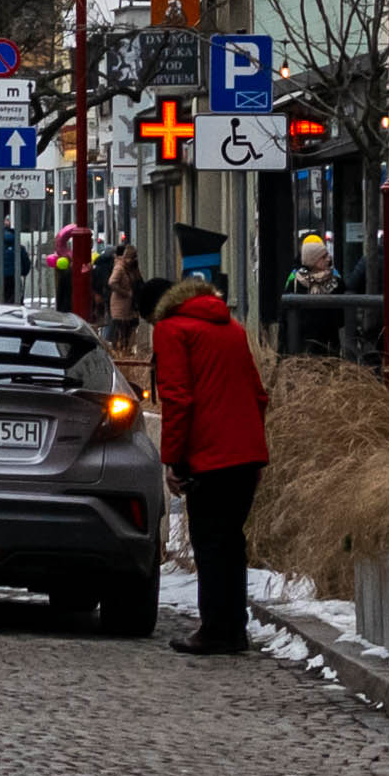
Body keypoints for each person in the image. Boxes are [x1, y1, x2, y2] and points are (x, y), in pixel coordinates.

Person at [148, 271, 271, 656]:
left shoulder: (172, 330)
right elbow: (258, 394)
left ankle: (217, 629)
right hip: (245, 454)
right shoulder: (231, 327)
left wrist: (173, 459)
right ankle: (234, 626)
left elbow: (178, 398)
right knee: (231, 542)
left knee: (210, 543)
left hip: (209, 454)